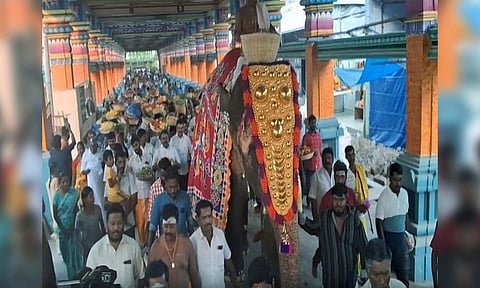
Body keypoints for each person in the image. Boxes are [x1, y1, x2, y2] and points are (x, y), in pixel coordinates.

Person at [317, 183, 368, 288]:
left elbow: (364, 247)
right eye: (335, 199)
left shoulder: (354, 221)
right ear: (332, 200)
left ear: (346, 200)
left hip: (349, 280)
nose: (338, 204)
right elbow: (312, 227)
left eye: (341, 200)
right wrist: (298, 217)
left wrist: (364, 271)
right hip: (330, 279)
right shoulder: (324, 218)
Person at [87, 203, 146, 288]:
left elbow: (141, 276)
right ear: (106, 225)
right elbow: (88, 281)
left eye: (119, 223)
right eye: (112, 223)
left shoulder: (133, 246)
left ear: (123, 224)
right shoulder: (96, 251)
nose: (116, 228)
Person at [148, 204, 201, 288]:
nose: (168, 230)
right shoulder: (155, 248)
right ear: (161, 225)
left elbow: (194, 276)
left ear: (177, 224)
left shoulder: (187, 244)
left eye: (172, 227)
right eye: (166, 226)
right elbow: (150, 280)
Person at [375, 163, 410, 287]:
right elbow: (378, 222)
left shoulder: (405, 194)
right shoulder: (384, 196)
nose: (398, 183)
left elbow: (405, 216)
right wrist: (384, 246)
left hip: (401, 244)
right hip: (389, 242)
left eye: (400, 180)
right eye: (395, 180)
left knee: (404, 278)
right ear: (390, 179)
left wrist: (407, 235)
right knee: (386, 280)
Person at [190, 200, 238, 288]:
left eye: (209, 216)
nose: (208, 221)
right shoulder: (193, 240)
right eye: (204, 218)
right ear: (197, 219)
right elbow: (191, 270)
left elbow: (228, 259)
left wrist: (235, 283)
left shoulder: (220, 235)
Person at [148, 167, 193, 248]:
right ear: (165, 184)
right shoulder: (159, 201)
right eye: (170, 187)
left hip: (183, 245)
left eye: (175, 187)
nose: (173, 190)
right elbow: (152, 228)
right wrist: (150, 251)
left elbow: (190, 222)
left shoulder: (185, 197)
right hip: (166, 246)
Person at [53, 174, 84, 279]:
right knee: (65, 253)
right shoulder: (57, 196)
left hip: (73, 228)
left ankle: (77, 276)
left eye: (67, 181)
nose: (65, 184)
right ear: (59, 184)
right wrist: (63, 228)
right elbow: (55, 214)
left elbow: (76, 210)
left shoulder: (74, 194)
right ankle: (70, 275)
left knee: (75, 254)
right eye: (63, 182)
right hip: (62, 230)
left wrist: (72, 227)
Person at [128, 135, 154, 248]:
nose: (136, 147)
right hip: (138, 194)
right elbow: (131, 179)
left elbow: (152, 172)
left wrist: (149, 176)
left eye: (137, 145)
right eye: (133, 146)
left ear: (139, 144)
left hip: (148, 192)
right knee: (140, 220)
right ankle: (142, 242)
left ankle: (150, 241)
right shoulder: (131, 161)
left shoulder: (147, 156)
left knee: (149, 218)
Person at [76, 186, 106, 262]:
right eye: (91, 196)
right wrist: (83, 246)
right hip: (87, 245)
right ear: (85, 200)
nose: (93, 198)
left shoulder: (97, 209)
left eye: (93, 196)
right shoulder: (80, 216)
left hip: (98, 242)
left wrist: (104, 240)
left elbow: (102, 227)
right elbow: (77, 234)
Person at [81, 138, 106, 222]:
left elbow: (103, 164)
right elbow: (82, 170)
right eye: (92, 146)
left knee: (102, 202)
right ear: (89, 146)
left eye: (95, 146)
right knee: (94, 201)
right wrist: (87, 171)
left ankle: (104, 223)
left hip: (100, 183)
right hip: (92, 183)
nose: (94, 148)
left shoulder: (100, 153)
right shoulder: (86, 155)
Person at [148, 158, 173, 239]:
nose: (163, 179)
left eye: (165, 176)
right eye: (162, 175)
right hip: (160, 233)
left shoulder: (174, 186)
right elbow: (150, 214)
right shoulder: (154, 188)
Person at [116, 151, 138, 239]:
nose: (122, 165)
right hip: (117, 225)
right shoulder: (112, 178)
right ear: (115, 163)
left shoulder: (130, 175)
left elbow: (134, 198)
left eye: (123, 162)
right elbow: (107, 200)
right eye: (119, 162)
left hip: (129, 222)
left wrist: (125, 214)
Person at [308, 147, 334, 221]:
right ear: (322, 159)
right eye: (325, 158)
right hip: (323, 217)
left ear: (332, 158)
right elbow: (313, 200)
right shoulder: (316, 176)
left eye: (329, 158)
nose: (327, 161)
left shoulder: (337, 174)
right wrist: (316, 219)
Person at [301, 115, 323, 202]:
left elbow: (320, 148)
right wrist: (311, 152)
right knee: (309, 185)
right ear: (309, 124)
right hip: (309, 165)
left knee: (317, 184)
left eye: (314, 123)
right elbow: (304, 150)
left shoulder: (318, 135)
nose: (313, 125)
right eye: (312, 123)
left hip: (318, 164)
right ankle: (309, 202)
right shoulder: (306, 137)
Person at [169, 119, 192, 191]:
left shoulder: (187, 139)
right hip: (176, 171)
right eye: (178, 128)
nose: (180, 130)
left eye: (181, 128)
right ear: (176, 128)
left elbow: (190, 152)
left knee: (185, 188)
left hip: (185, 170)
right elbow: (170, 153)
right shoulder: (172, 140)